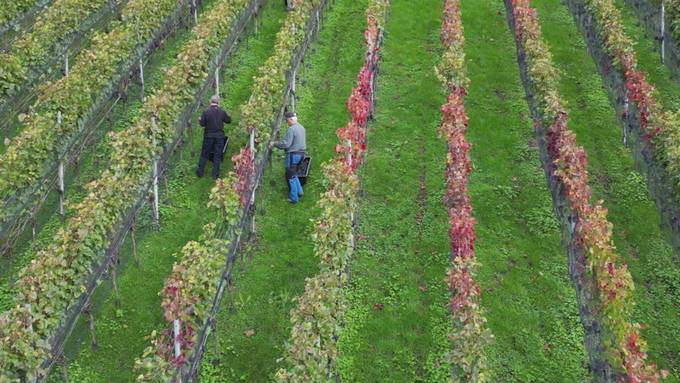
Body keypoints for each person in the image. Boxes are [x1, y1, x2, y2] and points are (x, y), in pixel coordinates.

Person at [273, 111, 306, 204]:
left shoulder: (291, 129)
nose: (287, 123)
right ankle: (300, 191)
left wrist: (275, 144)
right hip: (302, 154)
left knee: (289, 175)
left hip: (293, 155)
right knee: (294, 172)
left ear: (291, 119)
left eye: (287, 121)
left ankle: (294, 198)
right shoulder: (301, 127)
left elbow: (286, 144)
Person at [196, 95, 231, 179]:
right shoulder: (222, 111)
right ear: (218, 102)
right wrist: (228, 116)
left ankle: (200, 173)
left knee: (204, 154)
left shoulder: (206, 112)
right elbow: (228, 121)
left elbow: (202, 124)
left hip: (208, 136)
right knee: (217, 155)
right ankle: (215, 175)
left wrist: (200, 120)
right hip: (219, 136)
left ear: (210, 102)